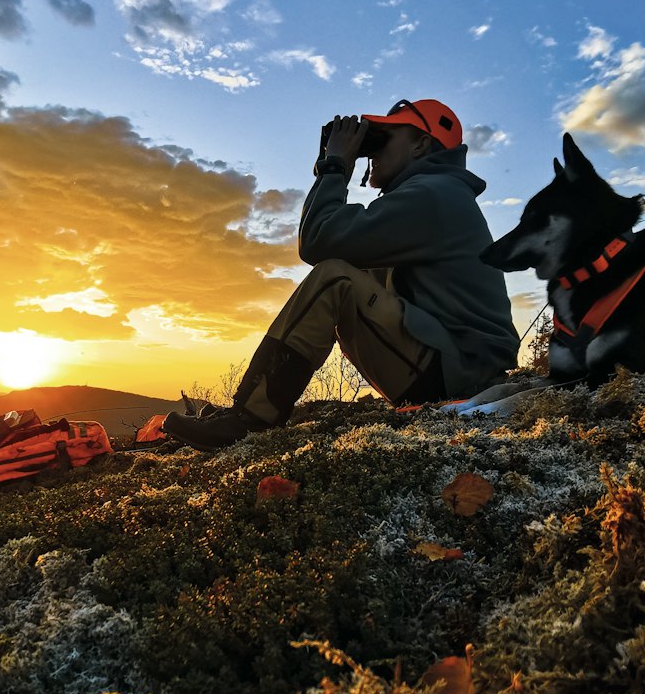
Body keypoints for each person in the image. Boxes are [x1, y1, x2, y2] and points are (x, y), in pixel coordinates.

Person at [163, 98, 519, 449]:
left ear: (421, 144)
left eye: (382, 138)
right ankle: (247, 410)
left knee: (335, 278)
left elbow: (320, 241)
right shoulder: (429, 195)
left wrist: (336, 167)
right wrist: (331, 168)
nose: (370, 151)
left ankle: (248, 419)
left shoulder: (433, 195)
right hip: (453, 363)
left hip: (461, 372)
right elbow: (337, 244)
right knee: (350, 272)